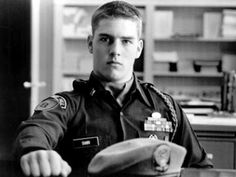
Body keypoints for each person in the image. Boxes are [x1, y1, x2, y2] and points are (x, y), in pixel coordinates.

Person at [14, 1, 213, 177]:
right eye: (105, 39)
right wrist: (34, 150)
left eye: (126, 41)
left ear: (138, 49)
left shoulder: (166, 107)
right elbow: (37, 129)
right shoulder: (67, 106)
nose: (115, 51)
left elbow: (200, 167)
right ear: (91, 43)